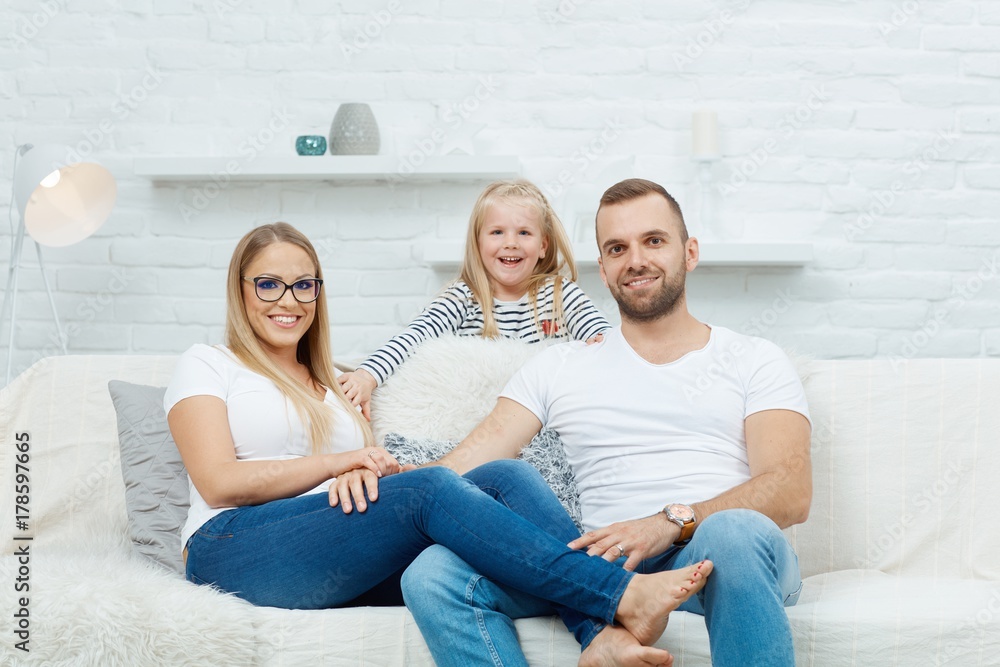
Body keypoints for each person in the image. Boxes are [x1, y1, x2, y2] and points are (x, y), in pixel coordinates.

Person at [164, 221, 714, 649]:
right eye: (268, 284)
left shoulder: (336, 384)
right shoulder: (209, 363)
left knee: (506, 474)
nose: (288, 300)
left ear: (318, 292)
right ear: (240, 290)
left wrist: (368, 468)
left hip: (328, 549)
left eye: (303, 285)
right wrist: (340, 463)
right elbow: (218, 481)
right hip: (232, 550)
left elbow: (356, 481)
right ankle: (619, 593)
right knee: (429, 489)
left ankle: (600, 637)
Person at [360, 179, 812, 667]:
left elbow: (789, 490)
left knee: (734, 532)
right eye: (617, 248)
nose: (635, 259)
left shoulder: (753, 358)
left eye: (654, 241)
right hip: (600, 568)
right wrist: (387, 475)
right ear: (604, 268)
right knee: (432, 573)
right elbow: (467, 463)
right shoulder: (557, 366)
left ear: (690, 252)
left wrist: (670, 524)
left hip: (716, 552)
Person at [337, 179, 611, 417]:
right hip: (476, 423)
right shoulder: (462, 298)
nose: (511, 242)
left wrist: (601, 343)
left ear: (543, 246)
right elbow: (414, 337)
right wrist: (367, 376)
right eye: (497, 232)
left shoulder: (561, 294)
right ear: (478, 244)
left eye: (524, 232)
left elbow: (604, 338)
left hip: (543, 418)